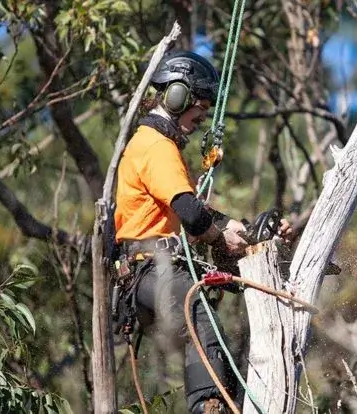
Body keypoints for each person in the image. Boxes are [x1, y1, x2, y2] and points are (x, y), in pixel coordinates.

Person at [112, 50, 292, 414]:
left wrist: (248, 233)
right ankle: (207, 406)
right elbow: (193, 216)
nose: (202, 117)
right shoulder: (155, 145)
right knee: (197, 311)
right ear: (177, 96)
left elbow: (203, 215)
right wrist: (217, 235)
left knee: (225, 309)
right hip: (149, 268)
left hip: (153, 267)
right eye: (200, 106)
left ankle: (231, 400)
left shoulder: (159, 147)